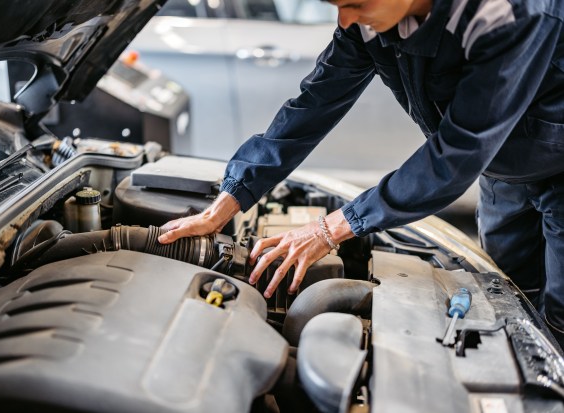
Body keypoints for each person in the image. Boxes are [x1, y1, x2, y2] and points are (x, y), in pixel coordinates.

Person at [158, 0, 564, 344]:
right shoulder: (365, 22)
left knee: (558, 322)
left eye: (356, 3)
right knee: (509, 306)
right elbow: (314, 104)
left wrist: (331, 228)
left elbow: (456, 154)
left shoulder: (509, 14)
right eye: (337, 5)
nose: (347, 19)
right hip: (503, 173)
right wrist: (227, 201)